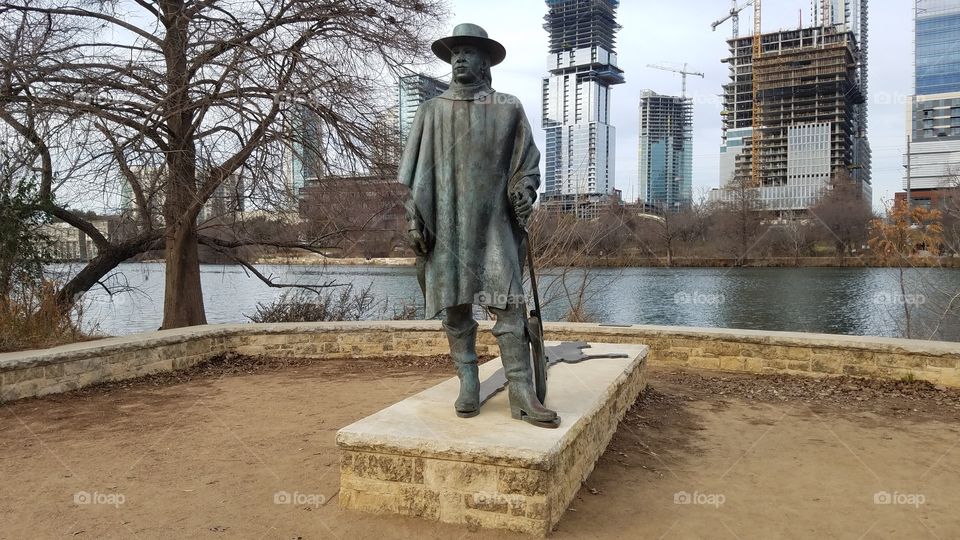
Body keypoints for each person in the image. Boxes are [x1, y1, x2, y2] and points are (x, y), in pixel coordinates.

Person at [399, 23, 558, 428]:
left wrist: (524, 189)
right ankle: (468, 380)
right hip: (446, 227)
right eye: (455, 54)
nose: (459, 60)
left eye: (469, 53)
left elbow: (527, 165)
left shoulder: (507, 107)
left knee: (509, 308)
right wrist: (415, 219)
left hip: (492, 227)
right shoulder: (431, 111)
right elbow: (415, 180)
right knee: (455, 310)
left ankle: (521, 392)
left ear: (486, 62)